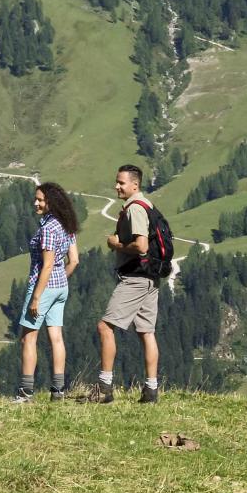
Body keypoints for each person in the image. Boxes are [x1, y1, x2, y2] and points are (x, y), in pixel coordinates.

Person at [95, 164, 161, 403]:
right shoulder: (147, 204)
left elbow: (141, 246)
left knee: (105, 327)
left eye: (121, 183)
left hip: (135, 277)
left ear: (135, 184)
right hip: (150, 277)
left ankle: (104, 388)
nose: (117, 186)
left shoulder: (135, 209)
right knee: (146, 332)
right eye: (116, 181)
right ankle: (151, 390)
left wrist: (116, 245)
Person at [12, 182, 79, 402]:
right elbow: (74, 261)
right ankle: (58, 391)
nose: (36, 203)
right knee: (56, 338)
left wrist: (38, 296)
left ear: (51, 202)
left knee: (28, 339)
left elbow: (47, 265)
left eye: (40, 200)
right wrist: (60, 282)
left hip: (44, 287)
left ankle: (25, 392)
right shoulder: (66, 224)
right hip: (61, 287)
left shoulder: (49, 228)